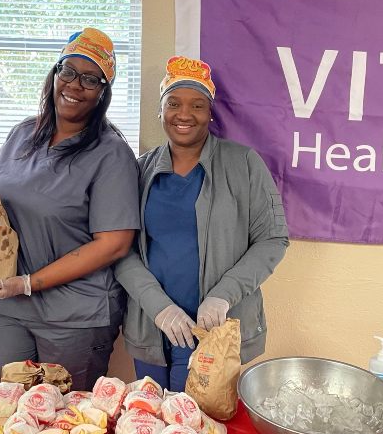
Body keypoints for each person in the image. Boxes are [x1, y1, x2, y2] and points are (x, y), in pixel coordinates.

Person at [115, 56, 290, 392]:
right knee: (150, 425)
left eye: (197, 105)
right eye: (173, 103)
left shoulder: (243, 164)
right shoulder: (138, 172)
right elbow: (120, 250)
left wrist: (223, 296)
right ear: (160, 111)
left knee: (200, 432)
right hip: (154, 328)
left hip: (215, 331)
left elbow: (273, 238)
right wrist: (159, 307)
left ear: (210, 113)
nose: (184, 114)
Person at [0, 28, 140, 390]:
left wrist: (30, 283)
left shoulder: (111, 154)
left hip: (76, 314)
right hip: (9, 304)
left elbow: (114, 243)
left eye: (90, 79)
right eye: (67, 71)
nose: (74, 85)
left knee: (64, 418)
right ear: (54, 75)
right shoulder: (22, 134)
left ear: (102, 93)